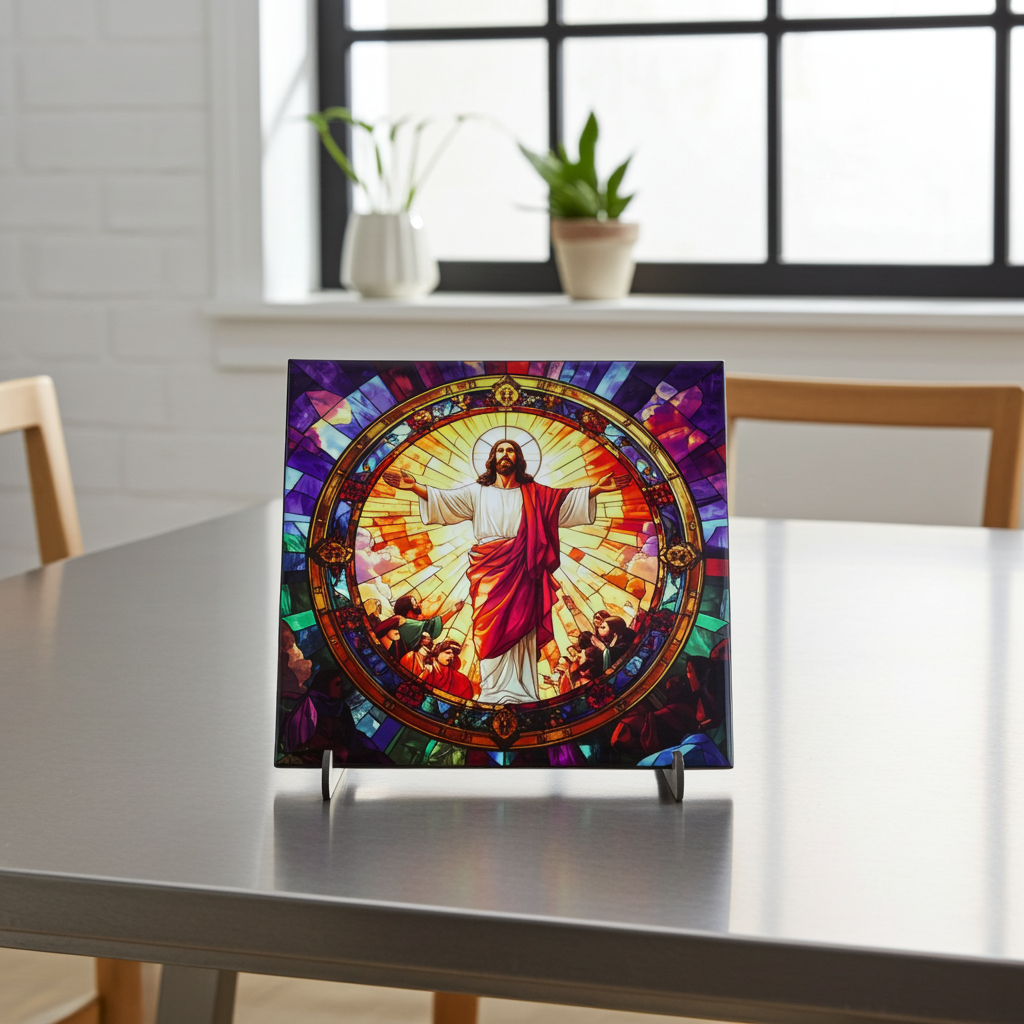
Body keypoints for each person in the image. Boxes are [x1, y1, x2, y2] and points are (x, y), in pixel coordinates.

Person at [384, 438, 626, 703]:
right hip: (488, 569)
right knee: (488, 631)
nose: (505, 455)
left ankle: (523, 693)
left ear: (518, 458)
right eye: (500, 450)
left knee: (522, 629)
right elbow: (445, 502)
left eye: (510, 450)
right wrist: (415, 487)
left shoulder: (535, 492)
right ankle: (493, 692)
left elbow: (562, 504)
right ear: (492, 458)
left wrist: (596, 490)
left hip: (524, 567)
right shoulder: (477, 492)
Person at [393, 593, 463, 654]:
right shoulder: (407, 625)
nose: (420, 605)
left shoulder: (404, 624)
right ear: (409, 612)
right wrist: (454, 609)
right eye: (416, 604)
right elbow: (431, 627)